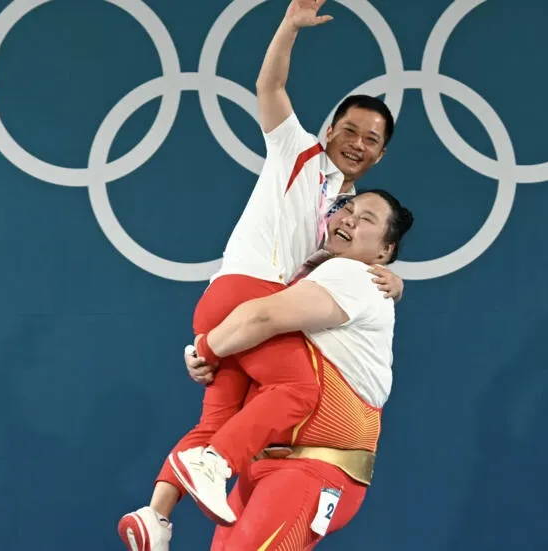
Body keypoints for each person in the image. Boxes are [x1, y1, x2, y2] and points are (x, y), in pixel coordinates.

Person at [117, 0, 401, 549]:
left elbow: (347, 266)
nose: (357, 144)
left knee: (219, 419)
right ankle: (217, 464)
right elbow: (269, 88)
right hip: (248, 293)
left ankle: (156, 515)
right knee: (296, 389)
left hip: (242, 312)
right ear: (330, 129)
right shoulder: (300, 153)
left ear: (381, 154)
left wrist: (397, 280)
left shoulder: (345, 212)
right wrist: (288, 28)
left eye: (370, 140)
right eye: (349, 129)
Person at [187, 189, 413, 550]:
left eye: (367, 219)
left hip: (311, 471)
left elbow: (260, 317)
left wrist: (204, 348)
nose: (351, 218)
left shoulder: (353, 275)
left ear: (384, 252)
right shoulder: (311, 276)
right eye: (348, 209)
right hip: (267, 469)